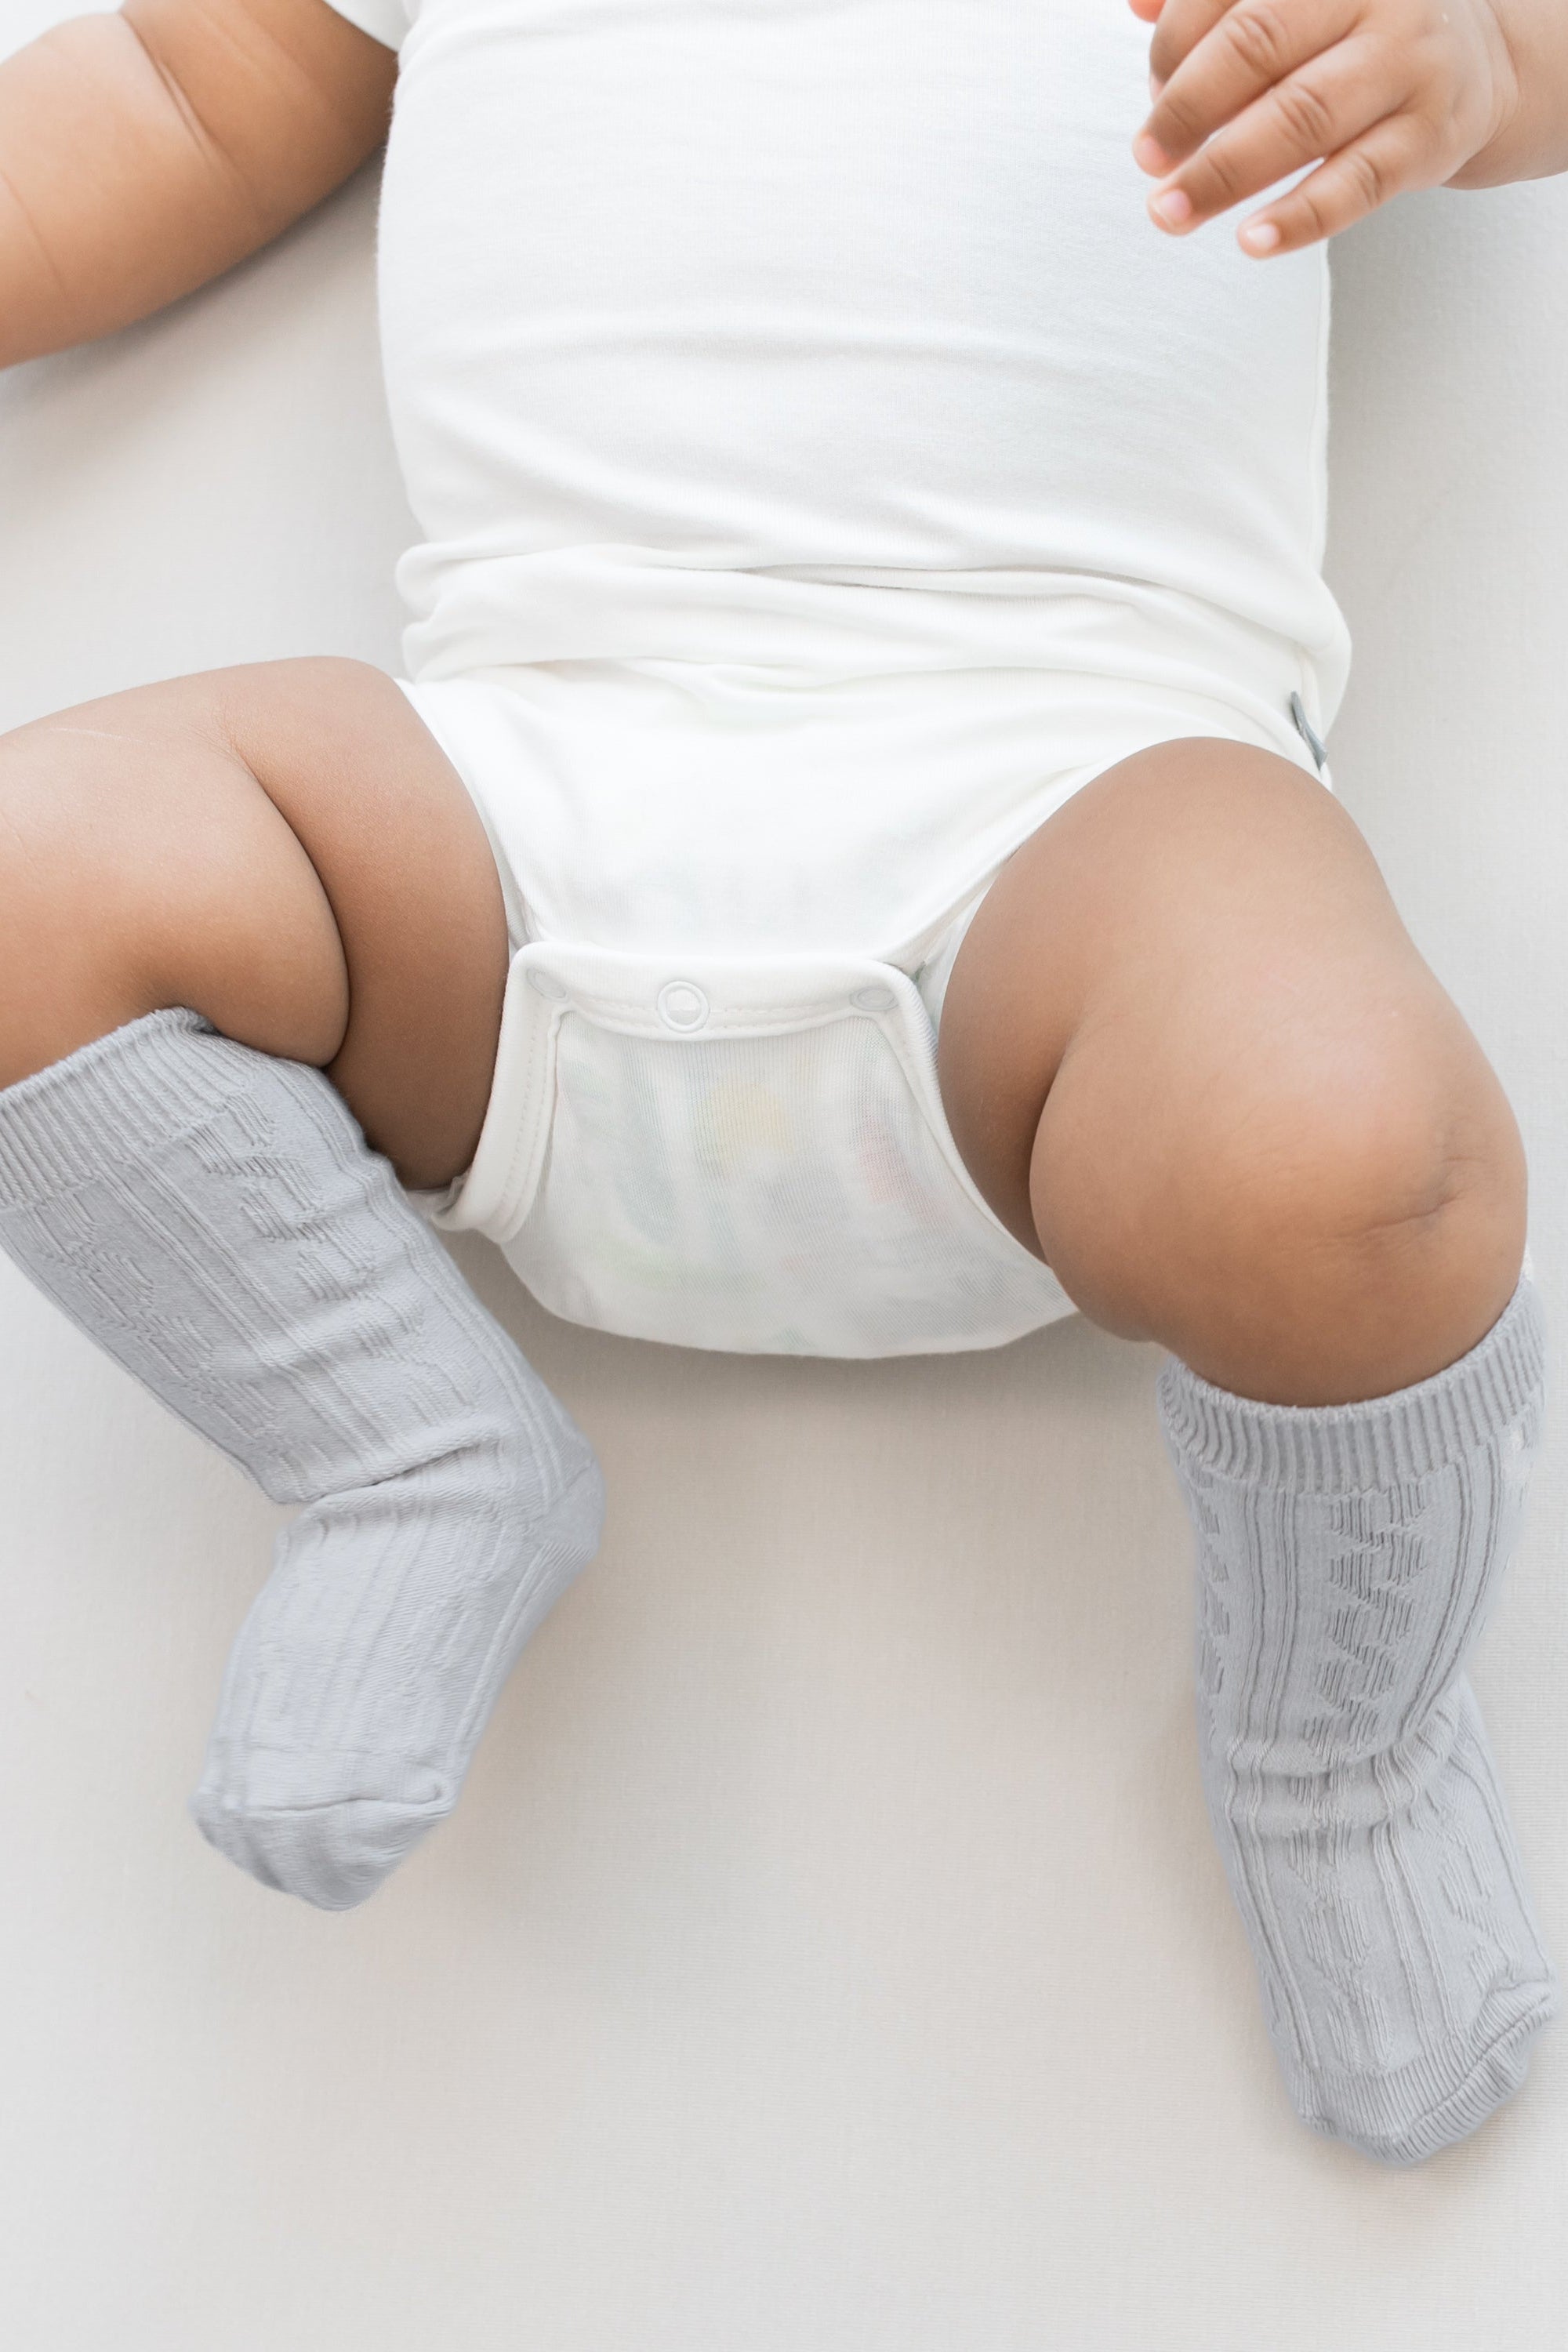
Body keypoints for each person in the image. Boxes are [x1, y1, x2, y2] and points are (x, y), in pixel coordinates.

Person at [0, 0, 1562, 2163]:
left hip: (1073, 839)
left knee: (1350, 1158)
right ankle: (398, 1447)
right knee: (30, 872)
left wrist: (1476, 62)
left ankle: (1340, 1741)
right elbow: (185, 89)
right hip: (514, 829)